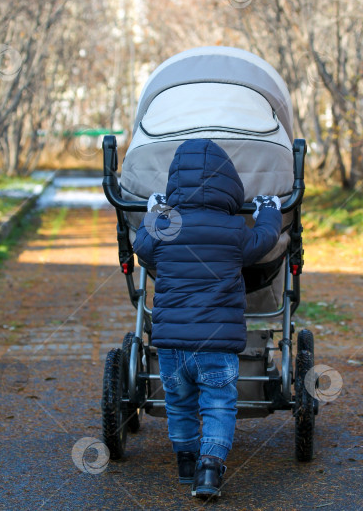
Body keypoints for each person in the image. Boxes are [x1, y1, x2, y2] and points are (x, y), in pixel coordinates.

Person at [133, 138, 282, 499]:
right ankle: (209, 469)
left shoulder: (169, 223)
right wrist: (269, 211)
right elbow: (263, 241)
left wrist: (155, 211)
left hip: (170, 345)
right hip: (217, 342)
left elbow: (141, 247)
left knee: (179, 403)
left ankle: (185, 460)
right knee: (218, 404)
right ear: (229, 184)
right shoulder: (233, 230)